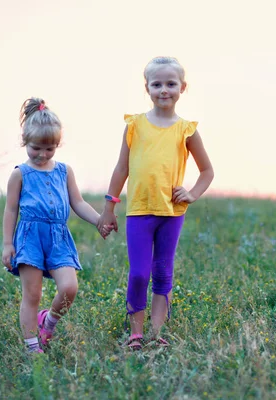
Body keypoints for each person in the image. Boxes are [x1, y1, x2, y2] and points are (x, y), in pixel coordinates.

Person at [97, 56, 214, 350]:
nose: (164, 90)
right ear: (146, 88)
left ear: (182, 87)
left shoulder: (187, 129)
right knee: (139, 273)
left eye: (171, 84)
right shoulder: (135, 125)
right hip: (139, 212)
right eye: (157, 84)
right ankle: (135, 332)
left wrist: (192, 194)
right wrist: (109, 208)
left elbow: (207, 171)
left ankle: (155, 332)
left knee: (163, 271)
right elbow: (121, 169)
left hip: (172, 213)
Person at [2, 97, 110, 353]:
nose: (42, 154)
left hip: (59, 237)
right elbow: (10, 209)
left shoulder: (64, 171)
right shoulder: (20, 174)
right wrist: (8, 244)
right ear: (25, 141)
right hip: (29, 237)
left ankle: (47, 321)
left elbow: (78, 202)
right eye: (36, 147)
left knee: (69, 287)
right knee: (32, 295)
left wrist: (98, 220)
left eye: (49, 148)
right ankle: (32, 347)